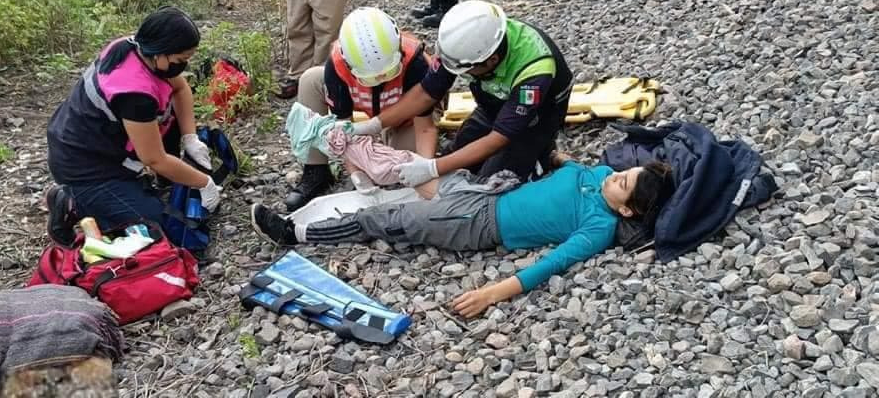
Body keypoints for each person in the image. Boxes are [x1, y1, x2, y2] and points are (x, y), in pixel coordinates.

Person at [252, 156, 673, 318]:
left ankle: (295, 233)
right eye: (625, 172)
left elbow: (552, 264)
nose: (616, 176)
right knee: (411, 169)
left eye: (623, 184)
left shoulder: (598, 228)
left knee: (384, 218)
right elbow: (569, 167)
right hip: (488, 190)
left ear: (625, 210)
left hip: (475, 225)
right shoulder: (600, 176)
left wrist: (492, 293)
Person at [350, 0, 573, 187]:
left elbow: (498, 138)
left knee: (492, 183)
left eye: (466, 71)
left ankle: (542, 155)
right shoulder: (462, 49)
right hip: (493, 104)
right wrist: (375, 125)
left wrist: (431, 169)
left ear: (491, 60)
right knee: (454, 161)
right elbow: (426, 93)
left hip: (534, 121)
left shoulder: (534, 70)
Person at [45, 7, 220, 244]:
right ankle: (71, 202)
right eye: (181, 60)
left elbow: (180, 89)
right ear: (162, 52)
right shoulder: (134, 93)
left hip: (100, 141)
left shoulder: (137, 48)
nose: (184, 66)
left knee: (170, 115)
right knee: (156, 231)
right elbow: (154, 159)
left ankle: (157, 182)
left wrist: (190, 137)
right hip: (86, 166)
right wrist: (204, 182)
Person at [286, 7, 438, 211]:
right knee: (310, 79)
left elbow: (425, 127)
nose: (379, 81)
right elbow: (343, 130)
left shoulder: (415, 62)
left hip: (407, 119)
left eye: (388, 73)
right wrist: (356, 173)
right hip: (366, 108)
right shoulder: (338, 65)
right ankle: (316, 170)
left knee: (402, 167)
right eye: (371, 78)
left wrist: (426, 168)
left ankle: (391, 144)